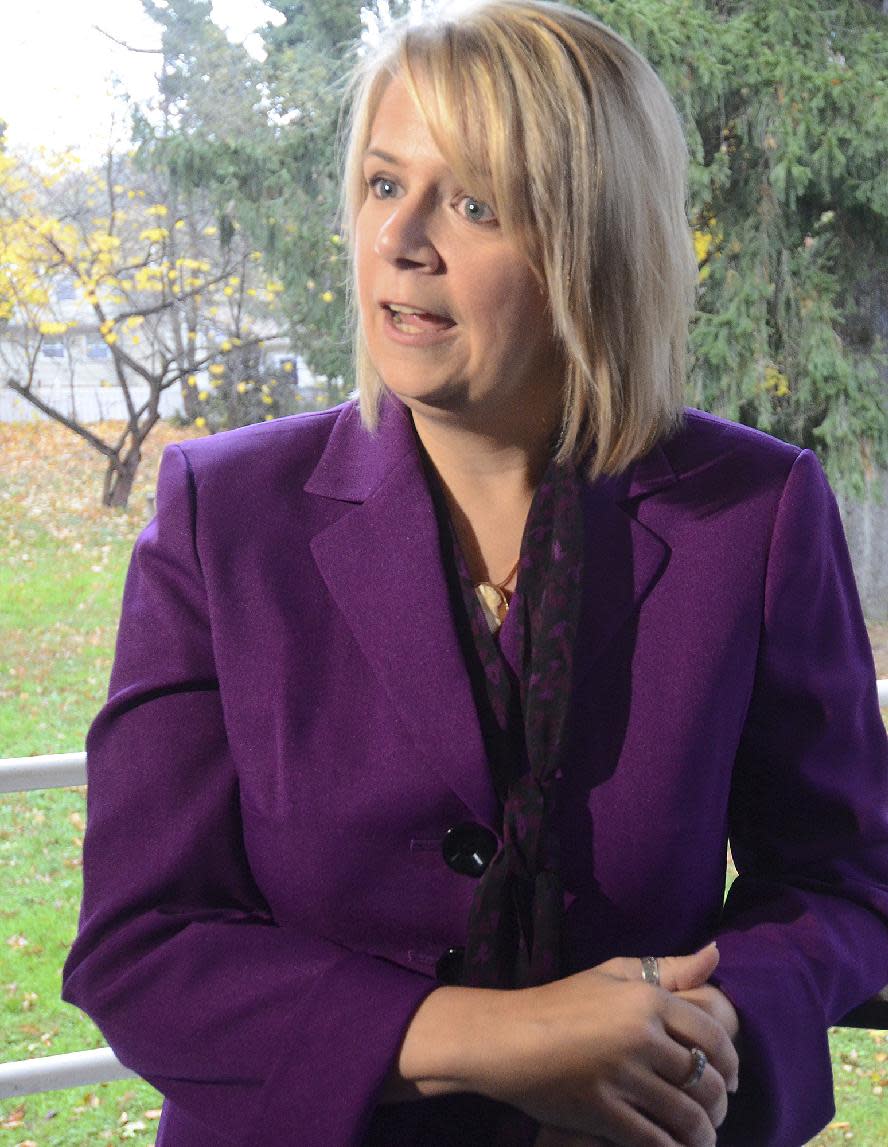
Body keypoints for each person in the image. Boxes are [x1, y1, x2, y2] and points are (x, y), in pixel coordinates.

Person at [61, 2, 888, 1145]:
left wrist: (694, 1033)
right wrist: (512, 1040)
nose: (403, 240)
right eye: (385, 184)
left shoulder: (755, 510)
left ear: (594, 244)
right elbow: (142, 944)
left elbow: (845, 882)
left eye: (475, 204)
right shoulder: (223, 512)